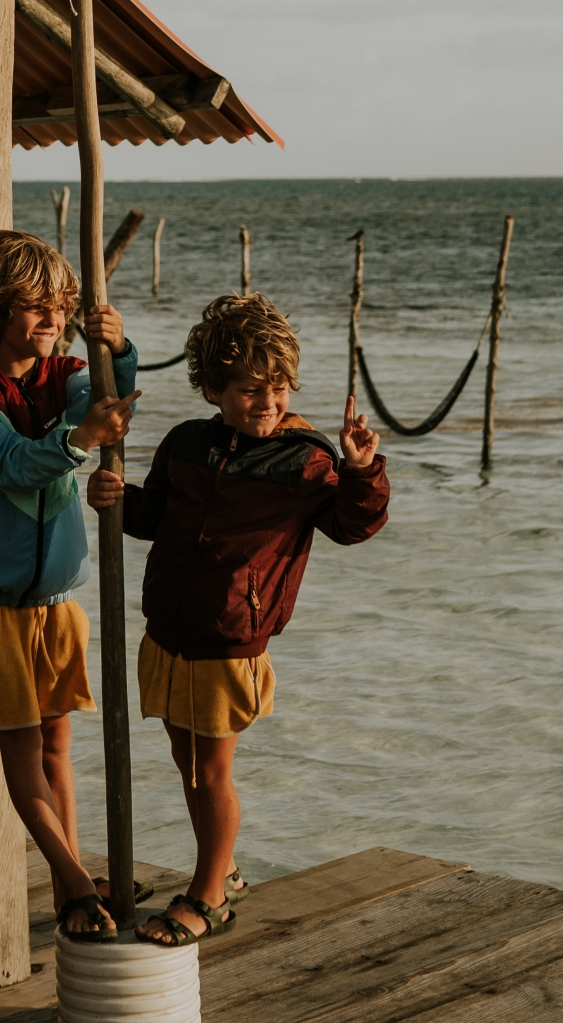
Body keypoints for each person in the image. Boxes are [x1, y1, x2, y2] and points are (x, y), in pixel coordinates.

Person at [88, 292, 390, 947]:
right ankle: (221, 868)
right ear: (215, 387)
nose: (269, 403)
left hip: (230, 643)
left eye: (279, 388)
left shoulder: (304, 460)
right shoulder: (186, 443)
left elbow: (353, 524)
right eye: (253, 390)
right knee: (186, 762)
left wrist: (362, 468)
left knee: (211, 771)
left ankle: (208, 895)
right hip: (168, 632)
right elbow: (156, 520)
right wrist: (116, 498)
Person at [0, 229, 141, 943]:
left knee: (57, 748)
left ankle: (69, 878)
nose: (54, 319)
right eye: (37, 307)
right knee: (22, 751)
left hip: (54, 600)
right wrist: (77, 442)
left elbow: (107, 394)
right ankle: (77, 882)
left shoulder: (69, 377)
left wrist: (119, 348)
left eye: (61, 306)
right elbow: (17, 464)